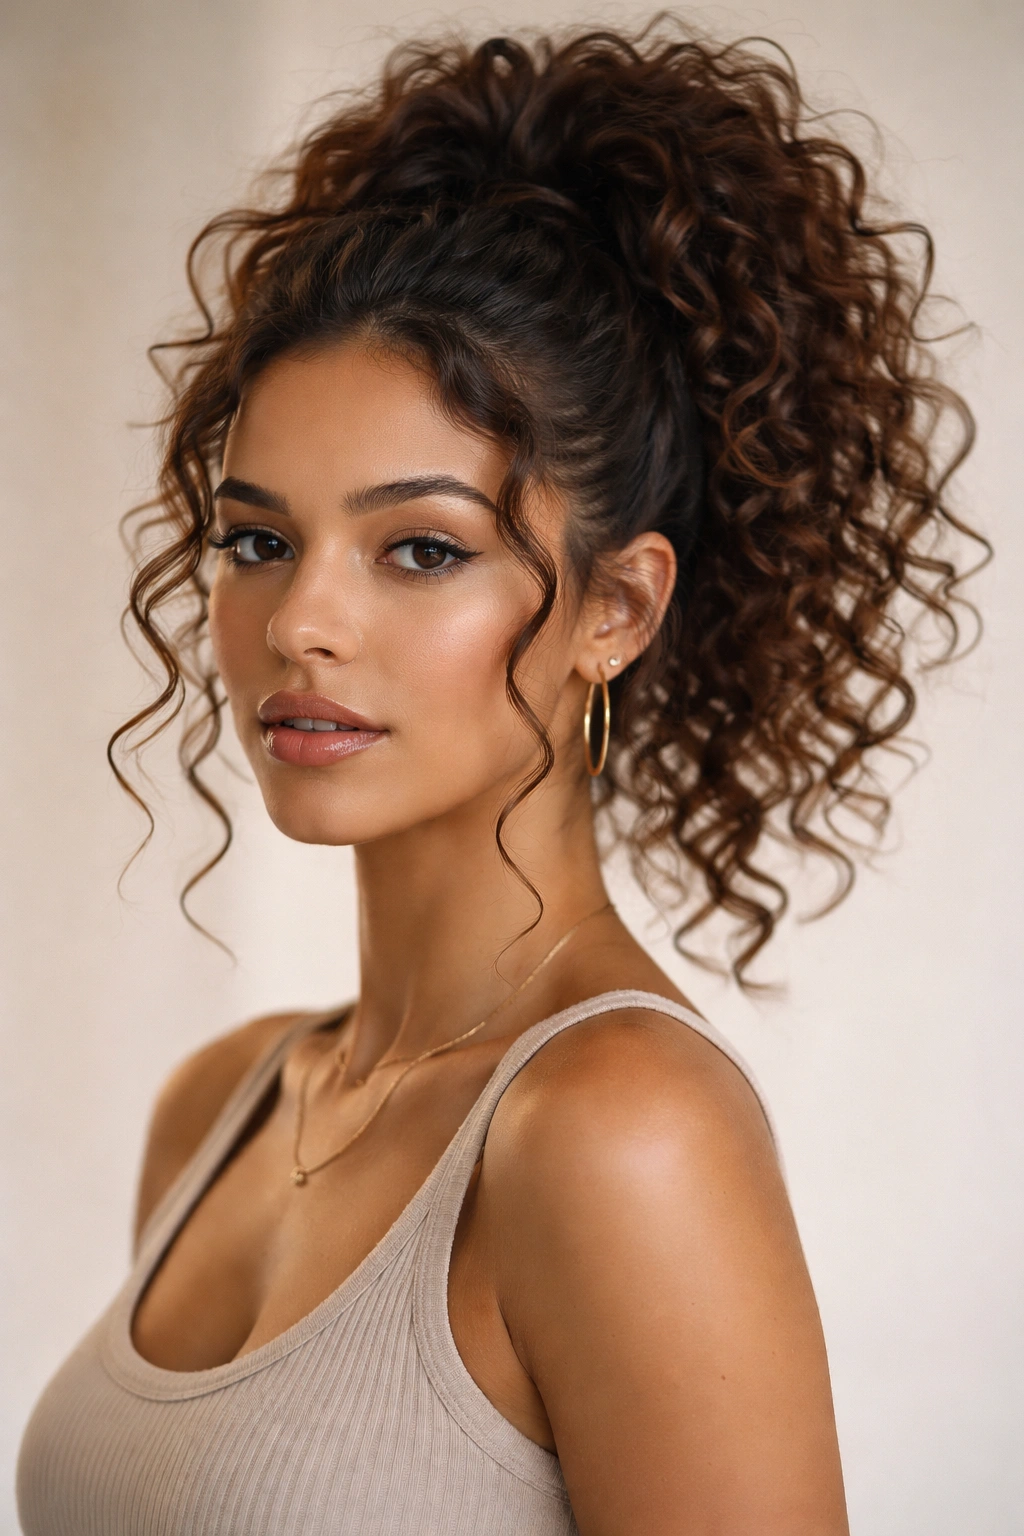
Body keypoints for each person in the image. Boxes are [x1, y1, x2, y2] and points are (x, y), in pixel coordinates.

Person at [17, 18, 980, 1535]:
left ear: (618, 609)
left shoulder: (619, 1129)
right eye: (260, 540)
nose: (304, 621)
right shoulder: (227, 1104)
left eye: (422, 549)